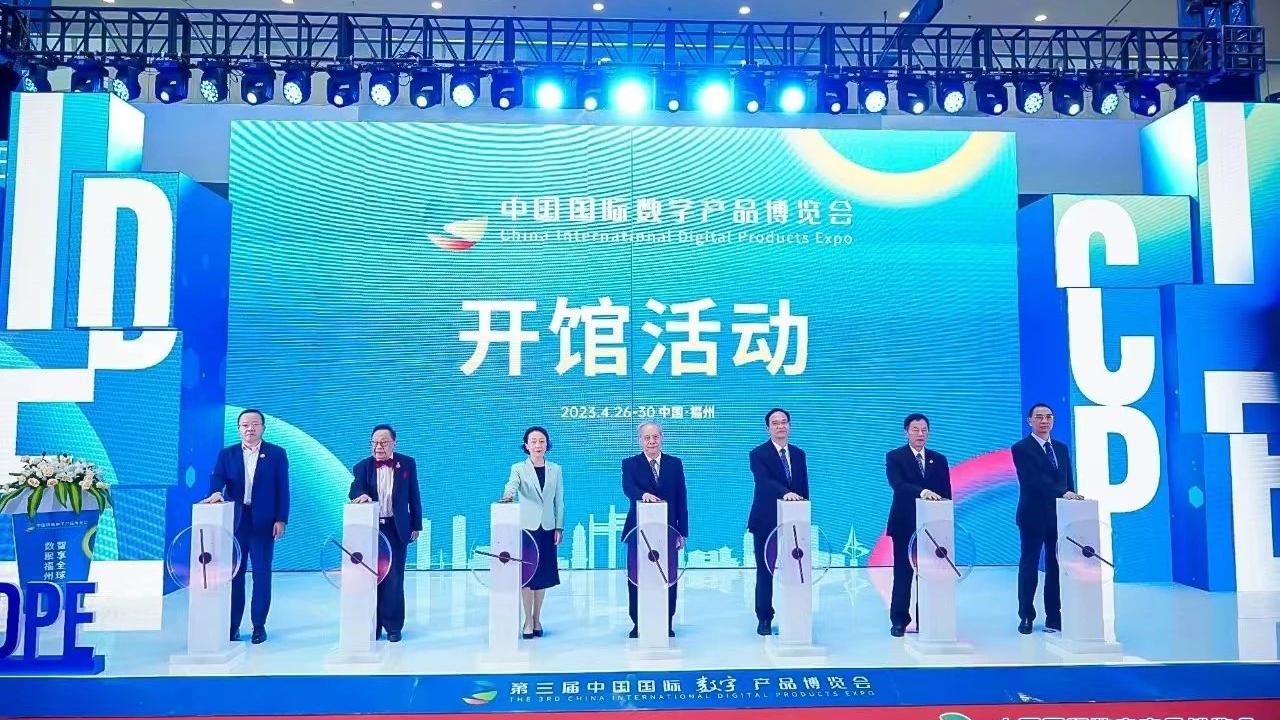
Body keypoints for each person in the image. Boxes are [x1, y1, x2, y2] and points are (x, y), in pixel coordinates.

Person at [202, 408, 290, 645]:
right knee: (234, 575)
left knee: (261, 574)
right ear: (239, 429)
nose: (250, 429)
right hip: (236, 523)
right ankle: (232, 625)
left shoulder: (276, 454)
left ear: (263, 427)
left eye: (254, 424)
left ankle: (258, 625)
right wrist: (215, 492)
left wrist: (281, 519)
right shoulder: (227, 454)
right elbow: (218, 477)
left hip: (264, 523)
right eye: (245, 425)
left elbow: (283, 488)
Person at [1011, 402, 1084, 635]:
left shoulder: (1061, 448)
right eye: (1039, 417)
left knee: (1056, 566)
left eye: (1048, 417)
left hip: (1059, 516)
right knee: (1030, 565)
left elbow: (1068, 481)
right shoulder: (1021, 448)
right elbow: (1033, 481)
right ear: (1029, 421)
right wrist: (1063, 493)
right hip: (1032, 516)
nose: (1044, 421)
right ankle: (1026, 616)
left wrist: (1072, 499)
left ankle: (1054, 615)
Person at [350, 424, 422, 643]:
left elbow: (414, 495)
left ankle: (393, 626)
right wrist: (361, 494)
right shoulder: (362, 466)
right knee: (370, 577)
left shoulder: (407, 464)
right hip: (371, 529)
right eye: (374, 442)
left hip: (396, 528)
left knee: (394, 577)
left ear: (394, 443)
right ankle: (373, 625)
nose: (378, 447)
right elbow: (355, 489)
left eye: (383, 442)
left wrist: (416, 524)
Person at [884, 413, 952, 637]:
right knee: (903, 574)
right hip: (904, 525)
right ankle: (899, 620)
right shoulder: (895, 457)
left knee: (930, 574)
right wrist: (922, 492)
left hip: (933, 529)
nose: (920, 434)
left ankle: (928, 618)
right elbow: (898, 484)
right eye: (915, 429)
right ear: (906, 432)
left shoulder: (939, 459)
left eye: (924, 430)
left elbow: (946, 493)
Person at [621, 421, 688, 639]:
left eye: (655, 437)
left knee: (667, 576)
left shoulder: (675, 463)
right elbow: (628, 488)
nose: (651, 441)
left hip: (668, 531)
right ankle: (638, 622)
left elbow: (681, 498)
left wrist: (681, 532)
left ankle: (666, 621)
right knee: (637, 576)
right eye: (647, 438)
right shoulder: (630, 464)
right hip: (638, 531)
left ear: (662, 438)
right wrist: (643, 495)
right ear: (640, 440)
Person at [747, 407, 809, 636]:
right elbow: (764, 481)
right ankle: (764, 617)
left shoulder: (799, 454)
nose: (780, 426)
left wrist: (804, 509)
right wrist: (786, 493)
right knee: (766, 570)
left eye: (784, 422)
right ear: (768, 428)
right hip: (766, 520)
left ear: (789, 426)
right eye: (775, 423)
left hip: (795, 520)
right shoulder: (758, 454)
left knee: (796, 568)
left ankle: (796, 615)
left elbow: (803, 486)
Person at [501, 426, 564, 639]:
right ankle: (527, 619)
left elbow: (559, 501)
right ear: (526, 445)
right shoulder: (518, 468)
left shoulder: (556, 469)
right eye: (533, 441)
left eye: (542, 441)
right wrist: (508, 494)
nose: (538, 445)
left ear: (547, 444)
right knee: (527, 576)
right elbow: (512, 484)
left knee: (543, 576)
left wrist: (559, 526)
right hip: (527, 530)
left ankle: (537, 618)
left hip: (547, 529)